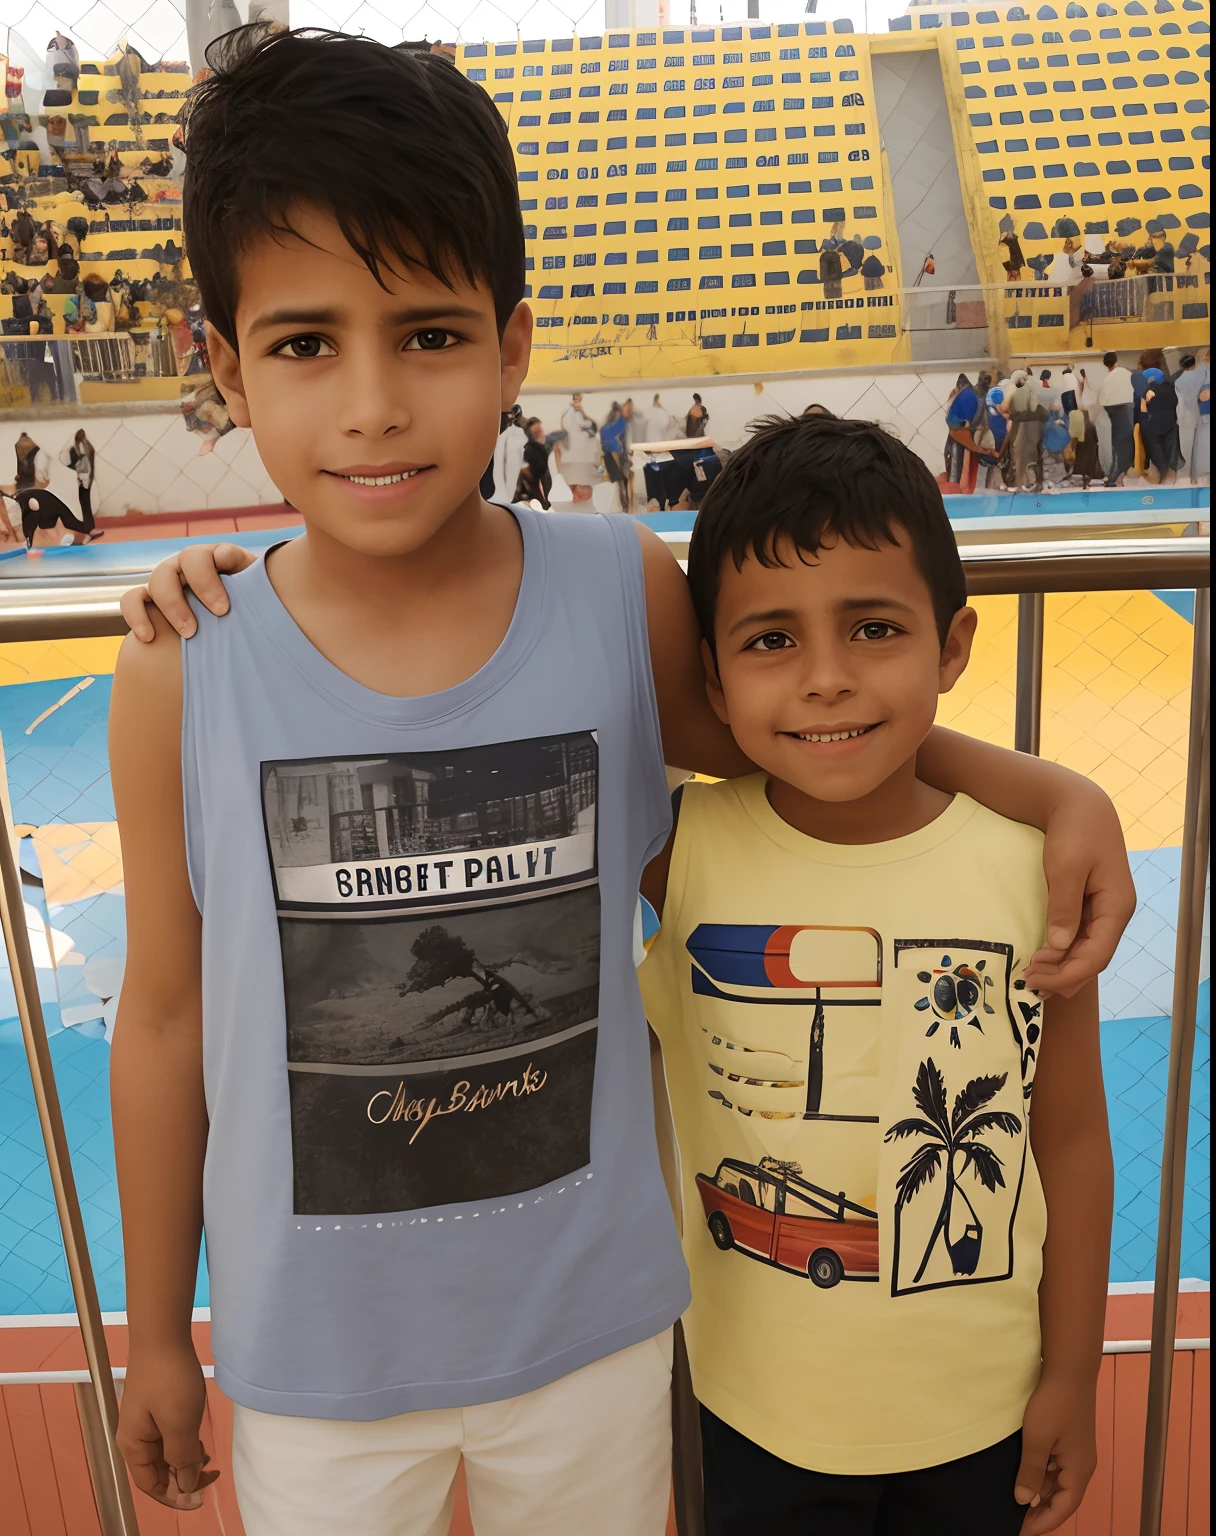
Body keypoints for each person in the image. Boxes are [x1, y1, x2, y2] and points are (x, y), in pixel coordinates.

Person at [111, 29, 1134, 1536]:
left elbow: (814, 749)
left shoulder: (612, 589)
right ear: (224, 366)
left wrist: (1054, 794)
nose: (376, 403)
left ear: (517, 345)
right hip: (316, 1358)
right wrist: (152, 1336)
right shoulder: (183, 661)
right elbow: (167, 1013)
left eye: (433, 335)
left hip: (588, 1332)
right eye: (308, 342)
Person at [641, 413, 1114, 1536]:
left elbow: (1072, 1140)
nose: (824, 681)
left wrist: (1073, 1379)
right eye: (769, 642)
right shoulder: (677, 849)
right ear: (709, 675)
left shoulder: (1034, 871)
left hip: (984, 1416)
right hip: (748, 1419)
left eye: (871, 629)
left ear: (951, 646)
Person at [1097, 351, 1135, 486]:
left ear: (1106, 365)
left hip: (1117, 415)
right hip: (1131, 412)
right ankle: (1122, 475)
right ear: (1116, 361)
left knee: (1119, 447)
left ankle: (1114, 477)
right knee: (1130, 445)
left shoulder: (1108, 379)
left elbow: (1102, 401)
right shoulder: (1127, 373)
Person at [1174, 350, 1210, 485]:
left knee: (1187, 450)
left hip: (1185, 417)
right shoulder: (1200, 376)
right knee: (1198, 452)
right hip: (1198, 417)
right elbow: (1202, 396)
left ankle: (1186, 479)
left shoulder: (1178, 380)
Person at [1139, 367, 1178, 485]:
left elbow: (1143, 410)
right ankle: (1168, 478)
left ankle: (1159, 479)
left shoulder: (1149, 392)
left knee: (1158, 458)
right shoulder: (1171, 389)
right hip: (1171, 427)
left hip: (1154, 430)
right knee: (1168, 456)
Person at [1009, 373, 1047, 491]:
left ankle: (1026, 483)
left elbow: (1015, 411)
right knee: (1034, 455)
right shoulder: (1036, 388)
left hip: (1025, 425)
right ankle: (1035, 482)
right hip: (1038, 424)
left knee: (1023, 456)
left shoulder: (1019, 391)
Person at [559, 392, 599, 503]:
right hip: (574, 456)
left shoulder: (577, 413)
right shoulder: (569, 411)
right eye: (576, 400)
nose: (578, 402)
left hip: (578, 457)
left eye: (579, 400)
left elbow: (587, 424)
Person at [59, 429, 100, 532]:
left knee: (83, 504)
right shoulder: (89, 447)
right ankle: (90, 527)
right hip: (89, 478)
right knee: (87, 504)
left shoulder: (76, 449)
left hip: (80, 479)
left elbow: (74, 465)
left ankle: (86, 528)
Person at [600, 399, 631, 510]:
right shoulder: (620, 423)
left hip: (613, 457)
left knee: (619, 485)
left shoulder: (606, 428)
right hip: (616, 457)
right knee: (620, 485)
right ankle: (623, 506)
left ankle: (623, 506)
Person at [517, 416, 552, 509]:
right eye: (536, 431)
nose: (539, 432)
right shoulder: (528, 446)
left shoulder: (543, 444)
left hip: (544, 477)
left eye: (539, 430)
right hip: (535, 480)